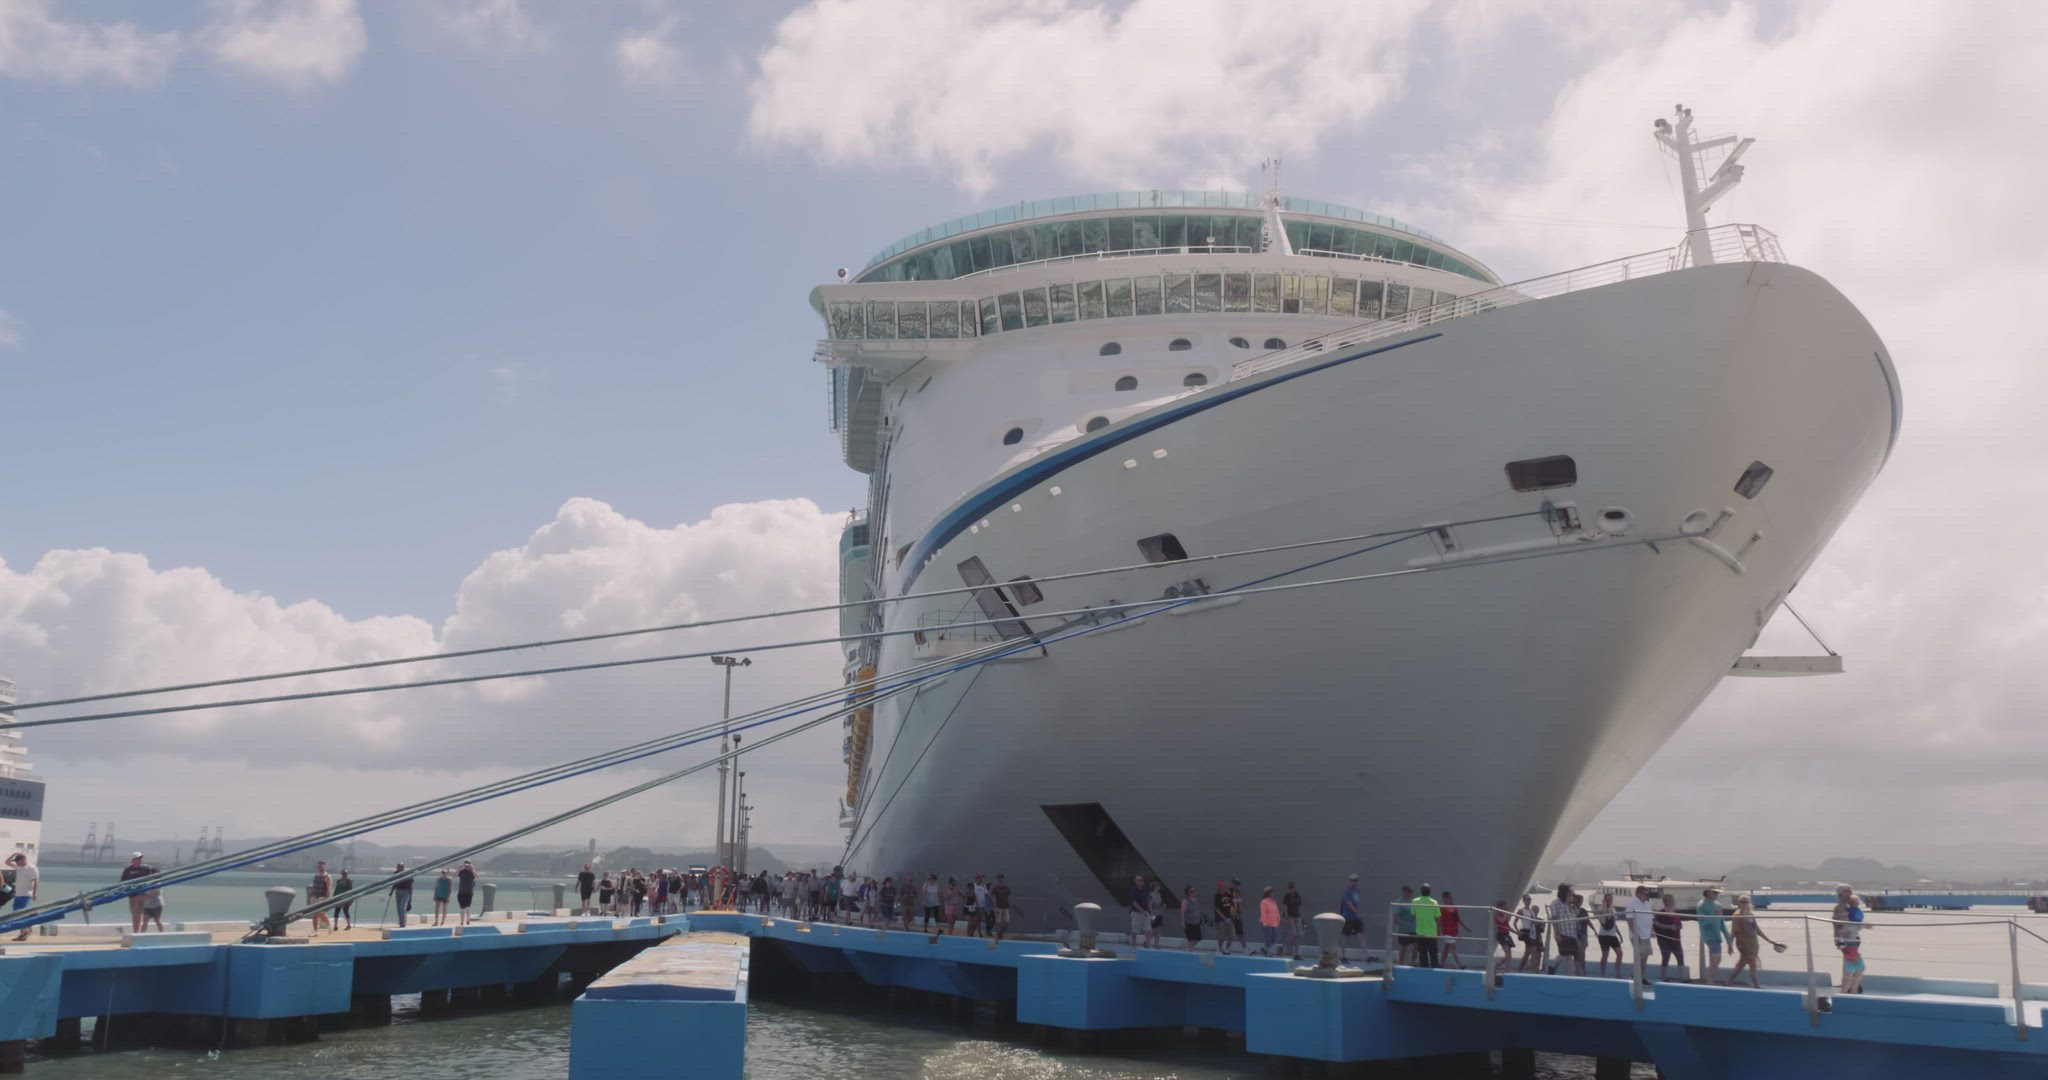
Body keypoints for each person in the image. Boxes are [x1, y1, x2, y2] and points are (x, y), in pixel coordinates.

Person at [1723, 894, 1783, 988]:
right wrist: (1730, 945)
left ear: (1749, 903)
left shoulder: (1750, 915)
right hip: (1743, 943)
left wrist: (1770, 941)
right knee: (1750, 962)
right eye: (1742, 902)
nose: (1744, 903)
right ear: (1739, 903)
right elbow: (1733, 931)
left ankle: (1729, 981)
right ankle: (1756, 985)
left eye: (1746, 901)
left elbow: (1757, 930)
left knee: (1743, 963)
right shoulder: (1737, 915)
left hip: (1753, 943)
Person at [1834, 888, 1867, 994]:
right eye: (1846, 893)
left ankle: (1851, 992)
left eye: (1849, 892)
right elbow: (1843, 927)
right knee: (1855, 969)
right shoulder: (1841, 909)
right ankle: (1848, 993)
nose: (1849, 894)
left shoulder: (1847, 908)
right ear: (1840, 895)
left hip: (1851, 941)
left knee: (1855, 968)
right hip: (1847, 942)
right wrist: (1862, 925)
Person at [1624, 885, 1657, 983]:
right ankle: (1636, 977)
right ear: (1638, 894)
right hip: (1638, 935)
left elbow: (1651, 918)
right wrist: (1635, 934)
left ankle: (1641, 977)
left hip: (1647, 935)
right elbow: (1629, 919)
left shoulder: (1648, 903)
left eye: (1648, 894)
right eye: (1645, 894)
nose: (1647, 896)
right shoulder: (1631, 904)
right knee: (1639, 959)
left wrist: (1653, 930)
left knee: (1645, 958)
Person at [120, 852, 158, 933]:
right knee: (134, 914)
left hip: (141, 894)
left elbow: (157, 873)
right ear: (133, 860)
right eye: (138, 859)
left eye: (140, 859)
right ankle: (136, 931)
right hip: (131, 895)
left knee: (137, 914)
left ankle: (136, 933)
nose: (140, 860)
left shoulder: (145, 868)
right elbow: (122, 881)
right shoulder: (128, 870)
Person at [1548, 886, 1580, 975]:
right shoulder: (1556, 903)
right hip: (1563, 933)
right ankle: (1571, 975)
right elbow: (1554, 918)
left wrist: (1574, 904)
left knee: (1567, 954)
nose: (1572, 896)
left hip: (1572, 934)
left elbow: (1576, 916)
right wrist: (1557, 933)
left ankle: (1553, 967)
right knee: (1566, 954)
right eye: (1570, 894)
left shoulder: (1570, 905)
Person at [6, 852, 38, 942]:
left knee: (21, 913)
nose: (16, 863)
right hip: (18, 894)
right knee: (16, 914)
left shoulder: (31, 868)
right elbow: (7, 862)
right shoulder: (18, 867)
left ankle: (26, 931)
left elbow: (36, 881)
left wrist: (34, 893)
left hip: (26, 894)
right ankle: (23, 932)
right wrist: (14, 854)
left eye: (18, 861)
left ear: (23, 860)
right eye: (16, 861)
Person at [1654, 894, 1686, 981]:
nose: (1672, 901)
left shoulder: (1674, 912)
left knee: (1680, 958)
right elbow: (1656, 924)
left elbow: (1679, 924)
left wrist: (1677, 927)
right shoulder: (1661, 912)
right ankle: (1663, 977)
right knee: (1666, 958)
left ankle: (1683, 978)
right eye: (1670, 900)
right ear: (1665, 902)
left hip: (1676, 939)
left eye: (1672, 900)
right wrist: (1669, 927)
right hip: (1665, 939)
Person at [1411, 884, 1442, 968]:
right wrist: (1439, 931)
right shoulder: (1434, 902)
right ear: (1429, 892)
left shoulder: (1415, 901)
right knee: (1433, 954)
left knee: (1422, 955)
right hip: (1432, 933)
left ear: (1421, 891)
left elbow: (1413, 916)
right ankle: (1434, 970)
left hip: (1420, 932)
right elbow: (1438, 918)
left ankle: (1424, 971)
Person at [1595, 893, 1623, 977]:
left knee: (1620, 954)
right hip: (1604, 936)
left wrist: (1619, 934)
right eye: (1607, 899)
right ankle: (1603, 974)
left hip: (1612, 935)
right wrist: (1604, 905)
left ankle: (1618, 974)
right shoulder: (1601, 909)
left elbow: (1614, 923)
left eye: (1610, 899)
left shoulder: (1613, 909)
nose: (1608, 901)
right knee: (1605, 955)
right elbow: (1603, 920)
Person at [1516, 893, 1545, 971]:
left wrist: (1541, 923)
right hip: (1526, 932)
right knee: (1532, 951)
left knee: (1530, 953)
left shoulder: (1532, 912)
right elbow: (1516, 922)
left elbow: (1535, 923)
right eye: (1527, 899)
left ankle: (1522, 969)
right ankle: (1535, 971)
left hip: (1533, 934)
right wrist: (1518, 931)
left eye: (1529, 899)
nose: (1528, 901)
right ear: (1523, 901)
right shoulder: (1522, 911)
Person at [1438, 890, 1464, 969]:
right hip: (1446, 930)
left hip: (1454, 930)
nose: (1451, 899)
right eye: (1449, 898)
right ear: (1445, 898)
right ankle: (1460, 965)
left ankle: (1441, 964)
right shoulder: (1442, 909)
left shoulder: (1454, 908)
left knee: (1446, 948)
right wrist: (1438, 931)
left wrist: (1465, 927)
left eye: (1451, 898)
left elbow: (1458, 919)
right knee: (1453, 947)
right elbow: (1439, 920)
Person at [1213, 881, 1239, 955]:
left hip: (1229, 918)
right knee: (1221, 936)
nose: (1224, 887)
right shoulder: (1217, 896)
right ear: (1219, 887)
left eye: (1225, 886)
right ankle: (1219, 949)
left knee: (1232, 935)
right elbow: (1217, 909)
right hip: (1221, 919)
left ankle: (1226, 948)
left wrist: (1234, 912)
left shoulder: (1228, 895)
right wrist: (1223, 917)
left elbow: (1231, 905)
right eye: (1223, 886)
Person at [1339, 874, 1364, 954]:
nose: (1354, 882)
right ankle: (1343, 955)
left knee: (1361, 935)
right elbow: (1349, 904)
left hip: (1356, 918)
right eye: (1352, 880)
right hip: (1348, 917)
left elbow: (1356, 903)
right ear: (1350, 881)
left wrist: (1358, 914)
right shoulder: (1347, 891)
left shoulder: (1356, 891)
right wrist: (1358, 913)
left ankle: (1367, 956)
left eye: (1355, 880)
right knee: (1345, 936)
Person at [308, 860, 333, 932]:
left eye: (321, 866)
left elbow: (329, 888)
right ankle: (315, 931)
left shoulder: (327, 876)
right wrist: (310, 896)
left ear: (325, 866)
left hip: (321, 898)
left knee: (320, 914)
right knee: (315, 914)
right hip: (314, 897)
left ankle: (328, 925)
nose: (320, 868)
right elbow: (314, 887)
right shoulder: (316, 876)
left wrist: (326, 898)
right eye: (319, 866)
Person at [1395, 884, 1417, 965]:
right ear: (1404, 892)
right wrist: (1398, 922)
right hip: (1404, 928)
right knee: (1403, 946)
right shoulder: (1399, 902)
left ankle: (1413, 961)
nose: (1411, 894)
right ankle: (1401, 962)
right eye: (1409, 892)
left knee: (1416, 945)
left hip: (1413, 928)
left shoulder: (1412, 902)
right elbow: (1396, 914)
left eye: (1411, 893)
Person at [1281, 881, 1304, 959]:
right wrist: (1286, 916)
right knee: (1293, 933)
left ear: (1294, 888)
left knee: (1299, 934)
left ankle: (1296, 953)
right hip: (1290, 916)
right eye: (1290, 888)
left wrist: (1300, 917)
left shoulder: (1298, 896)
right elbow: (1284, 906)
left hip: (1297, 916)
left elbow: (1299, 906)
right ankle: (1285, 948)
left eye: (1292, 888)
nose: (1291, 889)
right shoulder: (1286, 896)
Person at [1128, 874, 1152, 945]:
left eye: (1142, 880)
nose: (1142, 881)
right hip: (1136, 913)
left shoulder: (1145, 890)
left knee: (1148, 929)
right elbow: (1134, 902)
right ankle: (1133, 944)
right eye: (1140, 880)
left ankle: (1148, 944)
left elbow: (1148, 900)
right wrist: (1142, 911)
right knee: (1135, 930)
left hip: (1146, 912)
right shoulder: (1134, 891)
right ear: (1136, 881)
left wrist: (1150, 910)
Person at [391, 863, 415, 928]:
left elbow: (410, 885)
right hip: (398, 891)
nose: (397, 868)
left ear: (403, 868)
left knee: (402, 907)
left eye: (399, 867)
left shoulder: (407, 874)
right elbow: (394, 883)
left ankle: (403, 923)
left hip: (405, 892)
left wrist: (410, 898)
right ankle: (400, 921)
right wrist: (391, 891)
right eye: (397, 867)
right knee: (398, 907)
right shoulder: (395, 873)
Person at [1258, 886, 1281, 956]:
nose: (1274, 894)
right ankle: (1268, 952)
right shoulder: (1264, 901)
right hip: (1267, 923)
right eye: (1272, 892)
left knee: (1274, 938)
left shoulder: (1273, 901)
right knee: (1268, 937)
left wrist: (1278, 919)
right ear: (1269, 893)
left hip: (1274, 923)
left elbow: (1276, 911)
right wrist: (1264, 922)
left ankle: (1265, 949)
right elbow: (1263, 912)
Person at [1492, 901, 1516, 966]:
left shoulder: (1504, 915)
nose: (1505, 909)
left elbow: (1507, 926)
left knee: (1509, 952)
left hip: (1506, 934)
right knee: (1507, 951)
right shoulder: (1497, 915)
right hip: (1501, 935)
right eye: (1504, 908)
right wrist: (1505, 914)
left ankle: (1500, 965)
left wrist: (1516, 932)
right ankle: (1507, 968)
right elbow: (1502, 921)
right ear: (1500, 907)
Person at [456, 860, 479, 925]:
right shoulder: (461, 871)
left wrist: (472, 869)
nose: (467, 865)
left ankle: (468, 920)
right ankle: (462, 921)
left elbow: (478, 876)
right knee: (462, 908)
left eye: (468, 864)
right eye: (465, 864)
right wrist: (459, 869)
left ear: (470, 864)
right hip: (461, 892)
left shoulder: (472, 871)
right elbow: (454, 876)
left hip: (469, 892)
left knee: (468, 908)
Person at [1181, 885, 1203, 950]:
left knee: (1198, 938)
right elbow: (1182, 911)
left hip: (1196, 922)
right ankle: (1190, 950)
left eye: (1194, 891)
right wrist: (1182, 922)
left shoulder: (1195, 899)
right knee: (1191, 939)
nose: (1194, 892)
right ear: (1188, 892)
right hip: (1189, 923)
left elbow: (1196, 910)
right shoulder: (1185, 900)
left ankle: (1189, 948)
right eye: (1192, 891)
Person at [992, 873, 1012, 941]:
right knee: (998, 922)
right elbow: (994, 898)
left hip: (1005, 907)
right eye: (999, 878)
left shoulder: (1006, 888)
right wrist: (995, 907)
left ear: (1003, 879)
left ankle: (1000, 932)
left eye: (1001, 878)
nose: (1000, 879)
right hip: (998, 907)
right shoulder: (995, 888)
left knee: (1007, 921)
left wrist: (1009, 907)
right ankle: (999, 935)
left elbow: (1008, 897)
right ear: (997, 879)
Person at [1146, 881, 1164, 949]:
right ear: (1155, 887)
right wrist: (1151, 916)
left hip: (1159, 914)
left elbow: (1159, 903)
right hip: (1153, 914)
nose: (1159, 887)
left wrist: (1162, 906)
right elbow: (1150, 905)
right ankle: (1147, 942)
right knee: (1154, 929)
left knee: (1158, 929)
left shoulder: (1159, 894)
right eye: (1158, 885)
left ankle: (1156, 945)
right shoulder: (1151, 895)